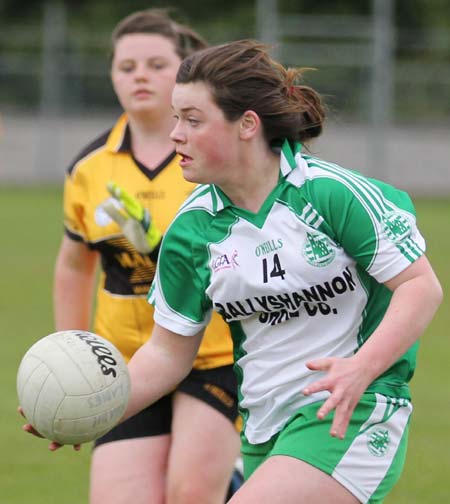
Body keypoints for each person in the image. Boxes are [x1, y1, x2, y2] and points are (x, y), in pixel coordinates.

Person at [22, 39, 442, 503]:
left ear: (246, 125)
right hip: (264, 425)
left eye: (192, 120)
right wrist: (95, 407)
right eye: (175, 117)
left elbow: (420, 286)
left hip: (352, 409)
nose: (175, 133)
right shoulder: (192, 230)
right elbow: (166, 354)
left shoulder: (330, 194)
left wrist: (361, 368)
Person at [52, 10, 240, 504]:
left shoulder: (215, 161)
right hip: (127, 361)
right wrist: (71, 352)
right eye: (126, 66)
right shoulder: (89, 169)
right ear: (112, 75)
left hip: (216, 357)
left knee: (190, 494)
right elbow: (74, 265)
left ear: (184, 72)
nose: (139, 75)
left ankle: (232, 481)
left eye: (156, 64)